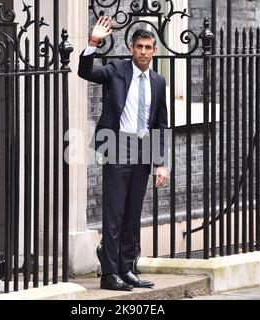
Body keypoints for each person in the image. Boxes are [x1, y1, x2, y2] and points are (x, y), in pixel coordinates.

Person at [78, 16, 168, 291]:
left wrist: (161, 163)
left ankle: (127, 268)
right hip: (117, 146)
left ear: (154, 51)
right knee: (114, 214)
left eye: (148, 47)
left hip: (142, 151)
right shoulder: (116, 69)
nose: (143, 51)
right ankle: (109, 274)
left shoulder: (158, 81)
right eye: (139, 46)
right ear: (131, 48)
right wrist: (93, 42)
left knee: (132, 214)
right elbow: (86, 72)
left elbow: (160, 124)